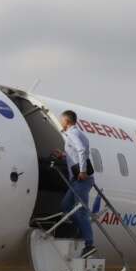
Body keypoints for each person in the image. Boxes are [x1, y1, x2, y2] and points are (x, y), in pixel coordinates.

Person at [55, 110, 96, 258]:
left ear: (66, 121)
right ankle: (80, 231)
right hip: (76, 180)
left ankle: (89, 244)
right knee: (65, 206)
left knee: (80, 211)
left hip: (82, 179)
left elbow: (82, 150)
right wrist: (63, 155)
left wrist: (83, 171)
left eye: (61, 120)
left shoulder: (72, 133)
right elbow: (75, 151)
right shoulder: (78, 133)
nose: (60, 122)